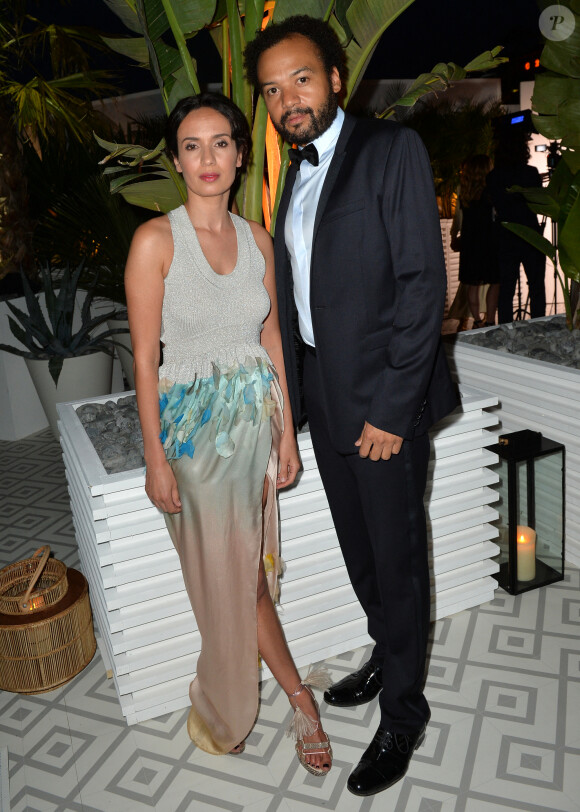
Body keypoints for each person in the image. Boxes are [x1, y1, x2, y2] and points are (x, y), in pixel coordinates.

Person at [245, 16, 457, 797]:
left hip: (382, 410)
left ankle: (404, 710)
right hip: (328, 407)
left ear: (336, 76)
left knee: (398, 562)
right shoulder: (294, 173)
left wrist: (391, 413)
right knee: (360, 551)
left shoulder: (390, 151)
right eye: (272, 88)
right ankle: (385, 652)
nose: (287, 98)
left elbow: (419, 289)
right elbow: (302, 304)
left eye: (300, 78)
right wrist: (291, 413)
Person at [125, 92, 332, 775]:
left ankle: (263, 699)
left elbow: (272, 336)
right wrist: (155, 458)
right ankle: (276, 699)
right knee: (232, 582)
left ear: (241, 156)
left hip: (256, 428)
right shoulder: (157, 240)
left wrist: (286, 437)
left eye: (221, 143)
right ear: (177, 160)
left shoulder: (257, 241)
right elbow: (144, 359)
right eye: (192, 144)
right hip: (196, 443)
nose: (207, 157)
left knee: (247, 577)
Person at [486, 128, 546, 323]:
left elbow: (494, 203)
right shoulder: (531, 173)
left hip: (505, 236)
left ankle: (506, 330)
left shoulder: (493, 176)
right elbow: (538, 204)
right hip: (530, 234)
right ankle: (538, 326)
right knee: (536, 287)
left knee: (506, 289)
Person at [453, 154, 499, 328]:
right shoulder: (491, 191)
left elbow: (461, 217)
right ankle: (490, 320)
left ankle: (477, 320)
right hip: (489, 240)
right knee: (494, 282)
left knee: (472, 284)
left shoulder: (464, 190)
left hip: (470, 241)